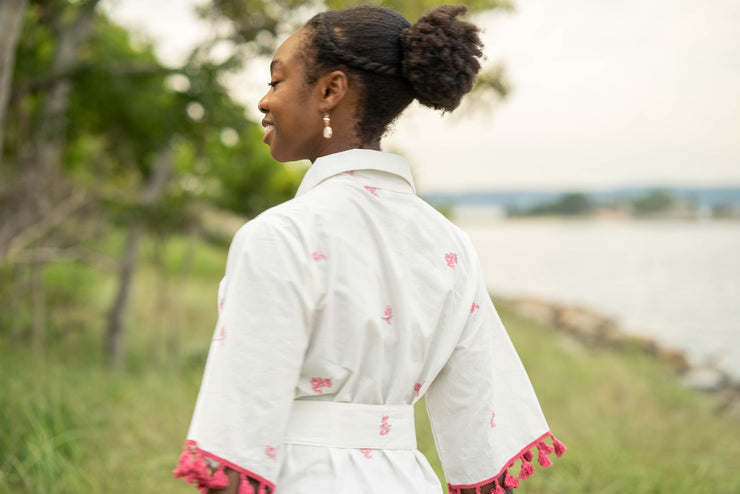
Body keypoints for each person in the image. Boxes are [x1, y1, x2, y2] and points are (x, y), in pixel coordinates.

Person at [174, 4, 565, 494]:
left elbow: (232, 456)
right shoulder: (450, 244)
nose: (263, 101)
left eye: (276, 81)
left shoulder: (279, 236)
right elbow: (477, 422)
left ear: (330, 90)